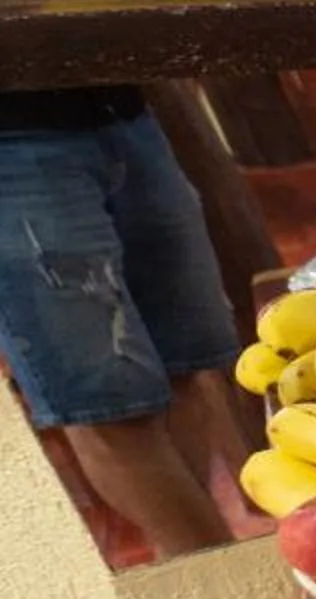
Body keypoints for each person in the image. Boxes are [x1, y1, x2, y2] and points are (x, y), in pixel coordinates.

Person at [0, 85, 254, 556]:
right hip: (11, 143)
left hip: (125, 108)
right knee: (110, 408)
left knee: (187, 368)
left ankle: (194, 571)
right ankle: (219, 586)